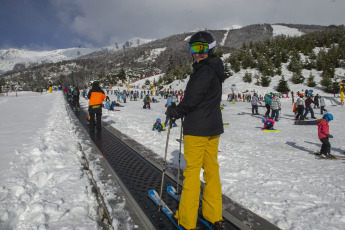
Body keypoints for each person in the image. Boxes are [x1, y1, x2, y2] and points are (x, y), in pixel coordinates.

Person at [165, 31, 225, 230]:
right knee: (211, 170)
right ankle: (213, 214)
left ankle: (187, 220)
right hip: (212, 127)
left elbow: (191, 101)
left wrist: (174, 111)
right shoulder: (215, 69)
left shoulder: (204, 72)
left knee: (192, 173)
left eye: (202, 48)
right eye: (194, 48)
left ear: (210, 48)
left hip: (197, 129)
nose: (197, 53)